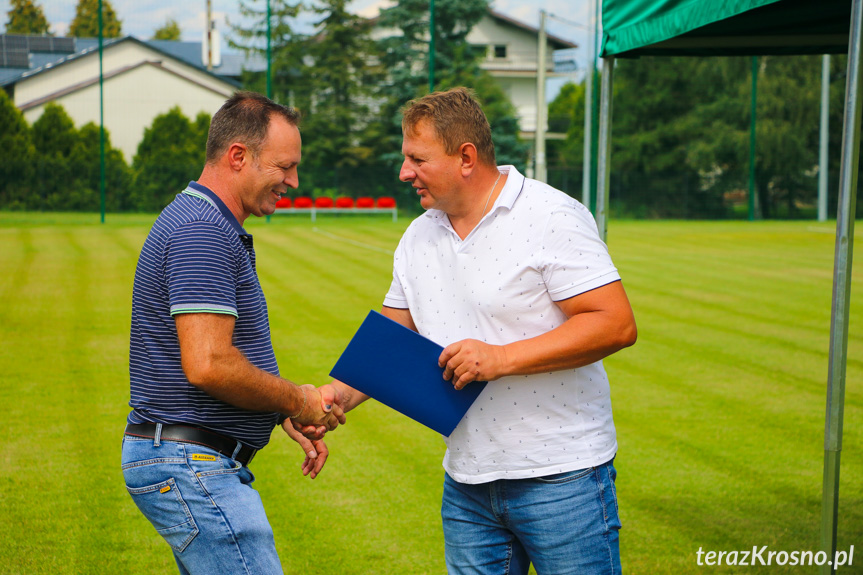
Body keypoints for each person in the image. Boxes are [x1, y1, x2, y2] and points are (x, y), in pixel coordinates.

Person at [325, 87, 637, 575]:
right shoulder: (418, 234)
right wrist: (329, 399)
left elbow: (614, 323)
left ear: (465, 157)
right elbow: (393, 338)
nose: (404, 172)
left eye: (417, 159)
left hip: (563, 478)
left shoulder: (551, 216)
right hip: (467, 481)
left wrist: (500, 357)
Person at [121, 91, 344, 575]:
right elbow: (208, 363)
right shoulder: (202, 228)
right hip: (191, 465)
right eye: (284, 166)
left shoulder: (204, 221)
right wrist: (293, 399)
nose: (294, 181)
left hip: (188, 461)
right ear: (238, 156)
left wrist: (275, 405)